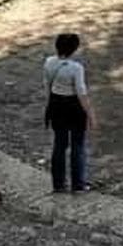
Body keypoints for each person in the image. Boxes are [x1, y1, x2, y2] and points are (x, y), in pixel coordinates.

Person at [43, 32, 96, 193]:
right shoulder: (76, 68)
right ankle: (78, 184)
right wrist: (91, 114)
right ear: (74, 49)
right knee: (77, 146)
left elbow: (47, 86)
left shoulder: (49, 62)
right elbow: (81, 93)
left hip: (56, 105)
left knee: (59, 145)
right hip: (73, 108)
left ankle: (58, 184)